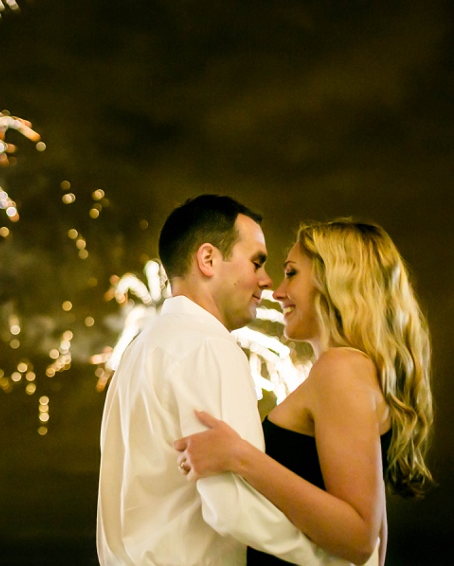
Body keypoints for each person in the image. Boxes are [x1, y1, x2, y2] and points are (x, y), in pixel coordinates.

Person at [97, 194, 345, 565]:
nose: (267, 281)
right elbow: (230, 505)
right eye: (257, 262)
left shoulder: (138, 351)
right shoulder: (209, 347)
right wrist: (329, 557)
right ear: (208, 259)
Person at [174, 220, 433, 566]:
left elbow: (360, 538)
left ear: (335, 281)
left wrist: (239, 456)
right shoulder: (351, 370)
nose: (277, 292)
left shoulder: (340, 369)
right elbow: (377, 541)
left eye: (292, 274)